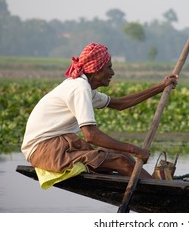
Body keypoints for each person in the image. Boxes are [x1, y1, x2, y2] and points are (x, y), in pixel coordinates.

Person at [21, 42, 178, 179]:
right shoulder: (79, 88)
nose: (112, 73)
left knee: (122, 156)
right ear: (95, 70)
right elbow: (91, 136)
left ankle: (152, 182)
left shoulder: (85, 88)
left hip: (57, 146)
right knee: (121, 161)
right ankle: (156, 187)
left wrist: (160, 87)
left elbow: (120, 104)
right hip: (44, 150)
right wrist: (135, 149)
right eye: (108, 67)